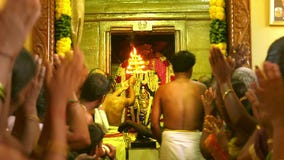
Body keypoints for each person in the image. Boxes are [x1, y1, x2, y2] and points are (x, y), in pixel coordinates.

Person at [151, 50, 206, 160]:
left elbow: (154, 125)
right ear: (190, 69)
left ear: (172, 69)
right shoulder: (202, 88)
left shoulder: (162, 90)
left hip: (170, 141)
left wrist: (164, 141)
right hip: (195, 141)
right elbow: (208, 119)